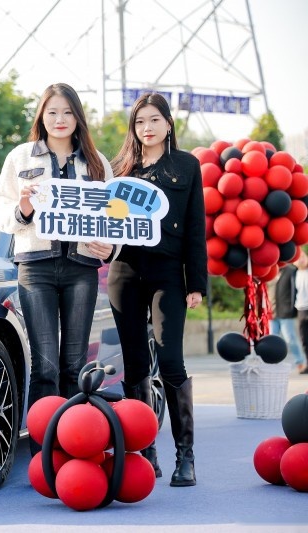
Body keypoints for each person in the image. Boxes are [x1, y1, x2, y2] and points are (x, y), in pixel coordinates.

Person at [0, 82, 115, 456]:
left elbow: (114, 217)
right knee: (44, 364)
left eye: (67, 112)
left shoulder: (96, 162)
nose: (60, 119)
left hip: (81, 268)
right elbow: (0, 211)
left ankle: (74, 449)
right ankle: (43, 454)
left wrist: (110, 247)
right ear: (41, 117)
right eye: (52, 112)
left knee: (74, 364)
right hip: (36, 269)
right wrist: (23, 210)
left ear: (78, 118)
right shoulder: (20, 157)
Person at [107, 92, 207, 487]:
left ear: (168, 123)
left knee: (170, 360)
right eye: (139, 122)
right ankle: (144, 451)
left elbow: (196, 228)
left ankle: (186, 456)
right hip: (125, 270)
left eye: (154, 120)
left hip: (167, 273)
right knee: (134, 365)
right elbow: (102, 221)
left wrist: (196, 283)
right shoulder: (118, 169)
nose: (146, 128)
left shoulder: (186, 165)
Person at [270, 260, 308, 373]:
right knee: (271, 338)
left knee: (290, 338)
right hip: (271, 312)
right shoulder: (269, 272)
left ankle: (300, 362)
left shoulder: (291, 271)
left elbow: (297, 289)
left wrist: (292, 308)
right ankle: (272, 363)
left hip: (286, 312)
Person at [293, 249, 308, 371]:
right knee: (304, 339)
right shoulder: (293, 274)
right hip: (301, 309)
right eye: (298, 258)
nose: (301, 260)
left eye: (303, 256)